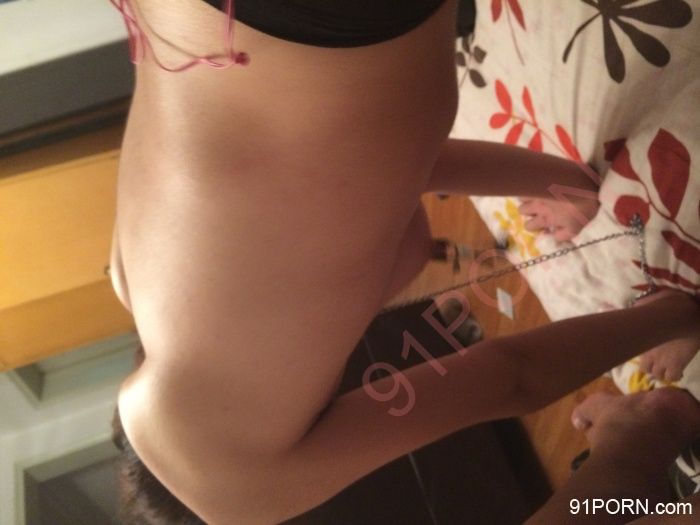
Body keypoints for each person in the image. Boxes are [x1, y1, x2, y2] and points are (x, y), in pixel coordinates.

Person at [108, 0, 699, 523]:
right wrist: (561, 183)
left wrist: (672, 315)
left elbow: (510, 375)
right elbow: (369, 164)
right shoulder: (134, 283)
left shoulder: (236, 493)